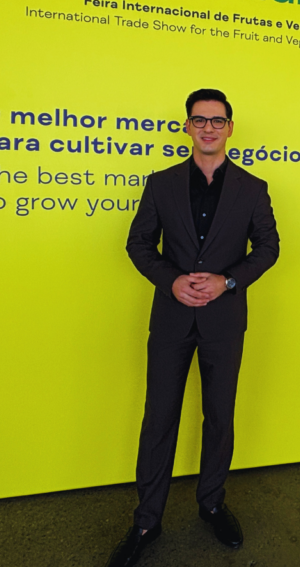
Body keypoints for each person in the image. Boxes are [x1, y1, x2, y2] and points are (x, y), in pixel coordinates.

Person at [108, 88, 280, 567]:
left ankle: (212, 504)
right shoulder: (160, 184)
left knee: (219, 415)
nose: (208, 127)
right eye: (199, 120)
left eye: (217, 120)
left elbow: (268, 248)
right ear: (187, 126)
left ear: (230, 128)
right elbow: (139, 244)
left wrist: (228, 281)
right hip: (171, 318)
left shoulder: (253, 188)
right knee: (158, 418)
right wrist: (172, 280)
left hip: (224, 321)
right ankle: (147, 521)